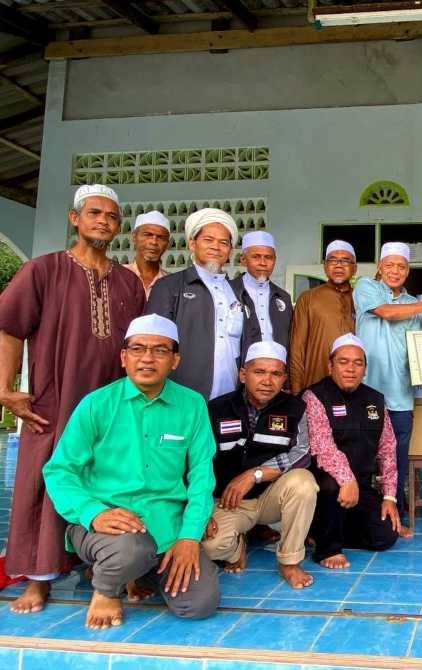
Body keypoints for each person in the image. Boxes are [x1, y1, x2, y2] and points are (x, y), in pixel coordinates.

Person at [0, 184, 145, 614]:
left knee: (112, 480)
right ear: (74, 218)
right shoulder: (42, 271)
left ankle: (114, 570)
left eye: (111, 217)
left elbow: (137, 346)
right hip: (55, 402)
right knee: (45, 484)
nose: (103, 221)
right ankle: (39, 580)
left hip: (112, 405)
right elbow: (9, 327)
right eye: (95, 213)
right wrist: (6, 389)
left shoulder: (127, 282)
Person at [42, 314, 219, 629]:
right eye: (138, 349)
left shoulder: (192, 405)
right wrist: (92, 512)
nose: (148, 358)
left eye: (160, 350)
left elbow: (202, 477)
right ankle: (107, 589)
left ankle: (138, 571)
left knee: (199, 604)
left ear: (175, 360)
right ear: (124, 357)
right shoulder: (96, 404)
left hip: (167, 528)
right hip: (105, 527)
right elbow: (58, 471)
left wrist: (190, 536)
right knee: (130, 549)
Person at [353, 242, 422, 520]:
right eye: (389, 265)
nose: (395, 271)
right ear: (379, 267)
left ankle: (395, 515)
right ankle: (359, 515)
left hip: (400, 396)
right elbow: (386, 312)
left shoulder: (414, 305)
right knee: (361, 458)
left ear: (407, 271)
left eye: (401, 266)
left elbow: (417, 351)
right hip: (365, 394)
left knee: (396, 460)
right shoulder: (365, 287)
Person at [203, 341, 318, 589]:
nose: (268, 381)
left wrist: (253, 475)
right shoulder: (216, 408)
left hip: (270, 498)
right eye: (259, 372)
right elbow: (199, 461)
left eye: (276, 374)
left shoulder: (295, 408)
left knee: (304, 483)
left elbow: (302, 453)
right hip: (227, 501)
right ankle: (235, 546)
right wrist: (203, 511)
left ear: (284, 378)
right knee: (211, 546)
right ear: (243, 374)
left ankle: (289, 561)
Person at [303, 334, 401, 568]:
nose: (350, 369)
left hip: (361, 486)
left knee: (384, 536)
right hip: (324, 485)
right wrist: (346, 480)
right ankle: (328, 548)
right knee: (329, 486)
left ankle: (318, 530)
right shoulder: (314, 396)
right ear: (330, 365)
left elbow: (388, 448)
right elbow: (322, 446)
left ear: (365, 368)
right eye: (343, 362)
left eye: (357, 363)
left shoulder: (374, 399)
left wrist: (389, 497)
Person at [145, 208, 243, 399]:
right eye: (208, 240)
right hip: (180, 397)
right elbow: (154, 345)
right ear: (192, 244)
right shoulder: (169, 287)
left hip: (230, 401)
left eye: (224, 242)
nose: (216, 246)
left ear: (230, 250)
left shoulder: (238, 292)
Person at [289, 240, 356, 393]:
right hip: (315, 385)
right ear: (325, 266)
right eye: (333, 260)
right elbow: (297, 350)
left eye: (346, 260)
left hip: (355, 388)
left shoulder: (361, 299)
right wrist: (297, 393)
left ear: (355, 268)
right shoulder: (308, 298)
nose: (339, 265)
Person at [233, 231, 293, 364]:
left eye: (268, 257)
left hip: (276, 373)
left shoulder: (284, 298)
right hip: (238, 373)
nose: (263, 263)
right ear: (243, 260)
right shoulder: (229, 291)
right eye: (256, 257)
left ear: (275, 260)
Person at [124, 210, 170, 298]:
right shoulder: (117, 275)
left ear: (167, 244)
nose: (154, 242)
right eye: (148, 235)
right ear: (134, 237)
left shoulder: (172, 283)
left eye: (161, 237)